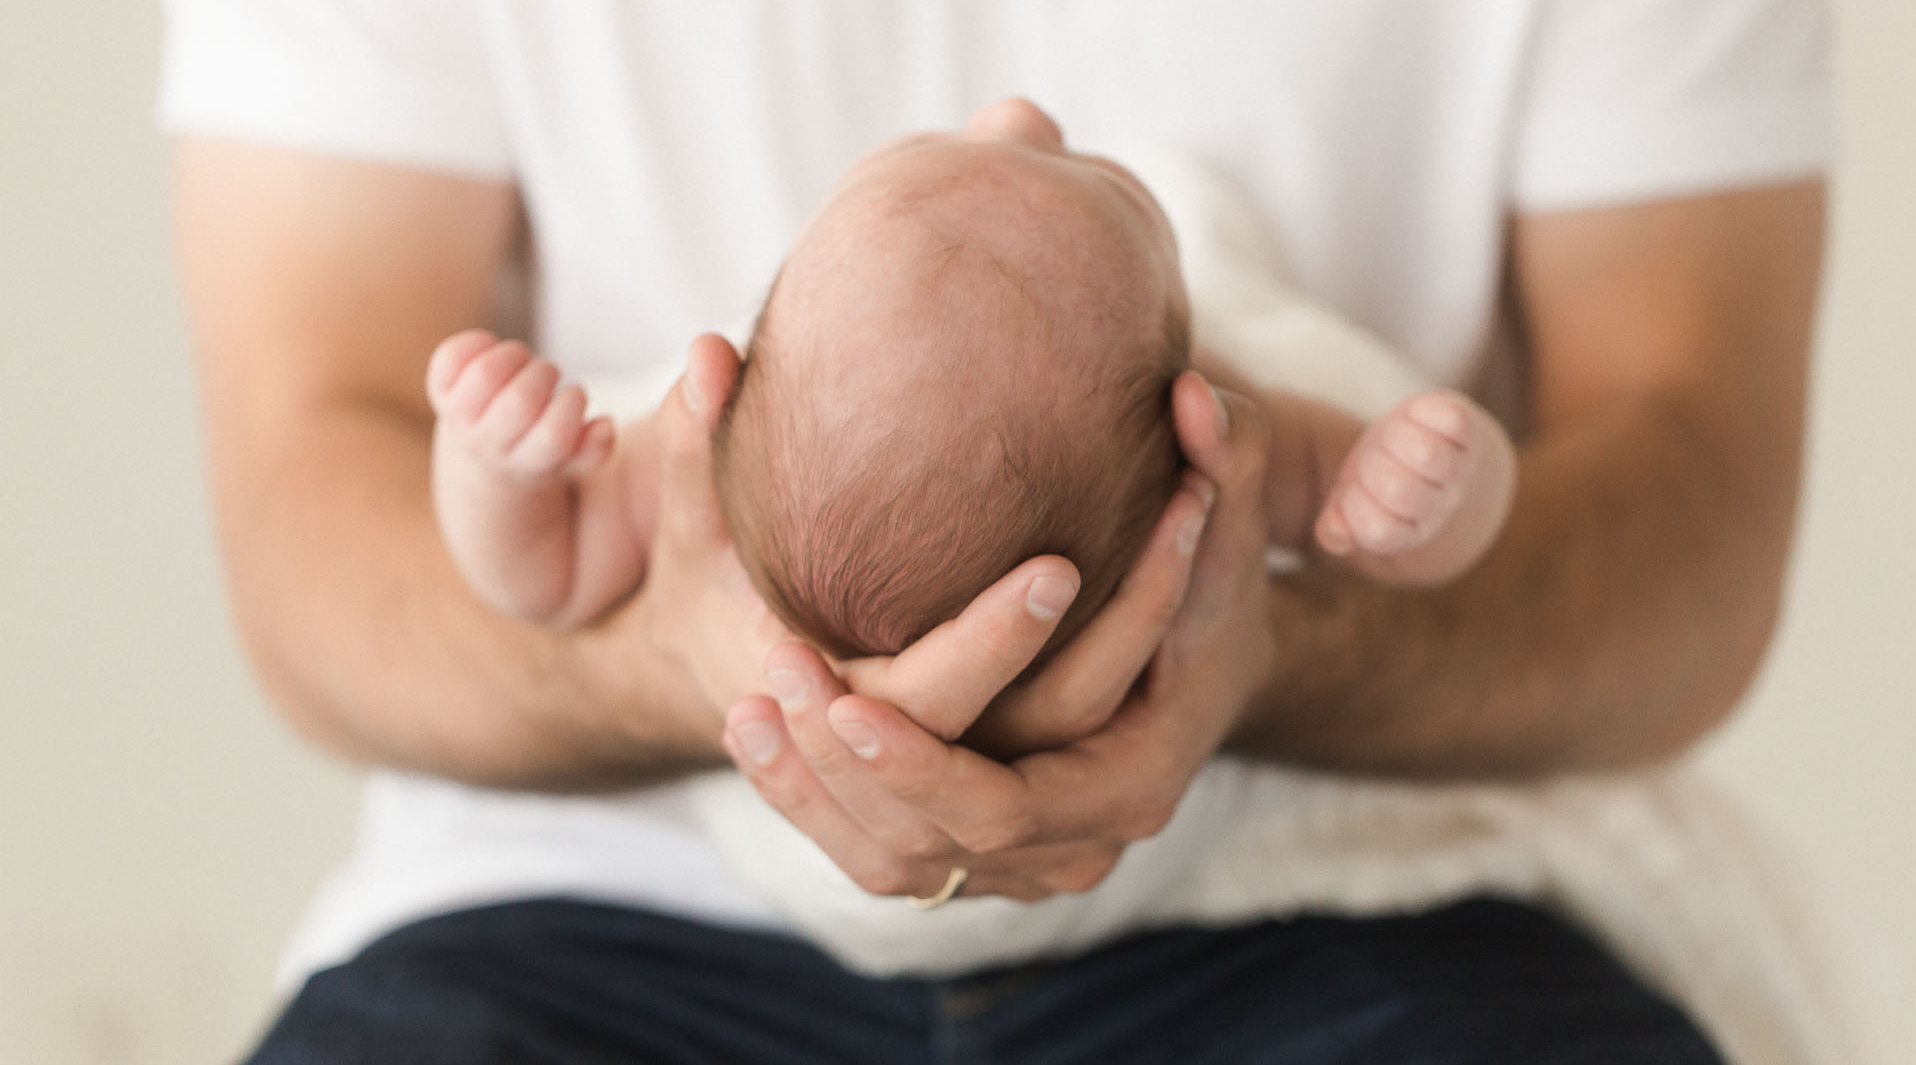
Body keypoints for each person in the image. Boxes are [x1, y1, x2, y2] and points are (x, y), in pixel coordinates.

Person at [156, 0, 1830, 1059]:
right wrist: (668, 646)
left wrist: (1269, 645)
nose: (1024, 109)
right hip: (585, 900)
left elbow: (1685, 510)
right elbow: (327, 519)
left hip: (1349, 881)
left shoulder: (1235, 404)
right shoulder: (699, 419)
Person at [425, 109, 1515, 662]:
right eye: (1083, 174)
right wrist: (1418, 489)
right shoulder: (718, 451)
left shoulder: (1214, 425)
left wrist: (494, 470)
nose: (1017, 109)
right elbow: (1393, 548)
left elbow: (551, 566)